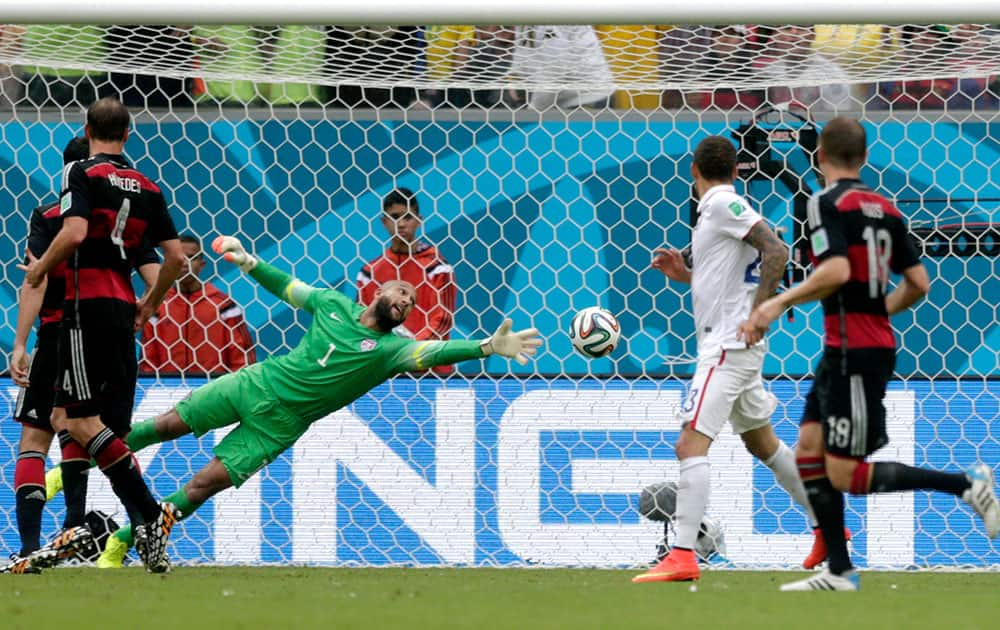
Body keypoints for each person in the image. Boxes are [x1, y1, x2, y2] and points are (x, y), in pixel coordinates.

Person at [93, 235, 540, 568]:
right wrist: (249, 262)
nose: (405, 301)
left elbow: (433, 352)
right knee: (166, 426)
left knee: (203, 485)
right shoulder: (332, 304)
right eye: (400, 292)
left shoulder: (392, 350)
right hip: (256, 383)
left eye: (411, 301)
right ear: (378, 292)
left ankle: (126, 539)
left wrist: (483, 347)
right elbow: (289, 287)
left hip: (281, 424)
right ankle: (68, 470)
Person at [741, 117, 1000, 591]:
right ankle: (838, 570)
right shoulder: (886, 208)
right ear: (863, 158)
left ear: (819, 155)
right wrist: (882, 310)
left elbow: (836, 269)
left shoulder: (824, 201)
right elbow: (919, 283)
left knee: (842, 473)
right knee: (808, 453)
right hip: (852, 347)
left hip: (855, 352)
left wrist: (777, 302)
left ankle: (965, 484)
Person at [632, 135, 824, 584]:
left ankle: (682, 555)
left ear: (694, 172)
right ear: (737, 171)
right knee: (764, 445)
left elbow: (775, 248)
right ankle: (827, 529)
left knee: (689, 445)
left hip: (728, 347)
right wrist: (686, 275)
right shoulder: (715, 214)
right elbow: (724, 282)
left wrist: (760, 311)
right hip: (735, 346)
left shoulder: (721, 203)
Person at [20, 97, 186, 574]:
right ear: (129, 134)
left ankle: (150, 517)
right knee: (77, 420)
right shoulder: (148, 186)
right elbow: (175, 260)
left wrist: (39, 271)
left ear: (87, 127)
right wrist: (149, 305)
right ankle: (111, 522)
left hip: (82, 312)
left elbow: (73, 234)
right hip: (121, 310)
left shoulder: (81, 175)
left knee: (81, 423)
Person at [357, 188, 456, 375]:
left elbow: (443, 319)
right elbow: (361, 319)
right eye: (394, 217)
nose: (401, 224)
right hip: (384, 369)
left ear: (419, 220)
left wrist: (410, 350)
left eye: (408, 217)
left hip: (432, 371)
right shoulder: (369, 272)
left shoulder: (437, 267)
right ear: (384, 222)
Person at [141, 234, 256, 376]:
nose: (185, 263)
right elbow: (148, 361)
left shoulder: (223, 305)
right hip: (169, 391)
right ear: (169, 263)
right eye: (180, 258)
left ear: (202, 264)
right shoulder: (158, 306)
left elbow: (241, 360)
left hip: (214, 390)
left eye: (191, 257)